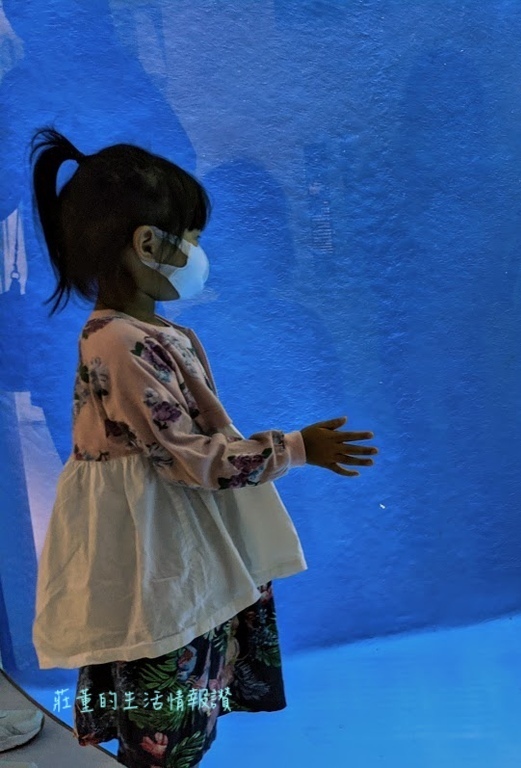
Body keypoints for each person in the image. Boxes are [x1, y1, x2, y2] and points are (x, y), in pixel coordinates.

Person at [29, 129, 378, 768]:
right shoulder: (120, 343)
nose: (195, 251)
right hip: (155, 551)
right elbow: (193, 457)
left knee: (193, 691)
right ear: (145, 243)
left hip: (178, 537)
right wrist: (296, 448)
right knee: (166, 704)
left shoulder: (148, 330)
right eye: (187, 237)